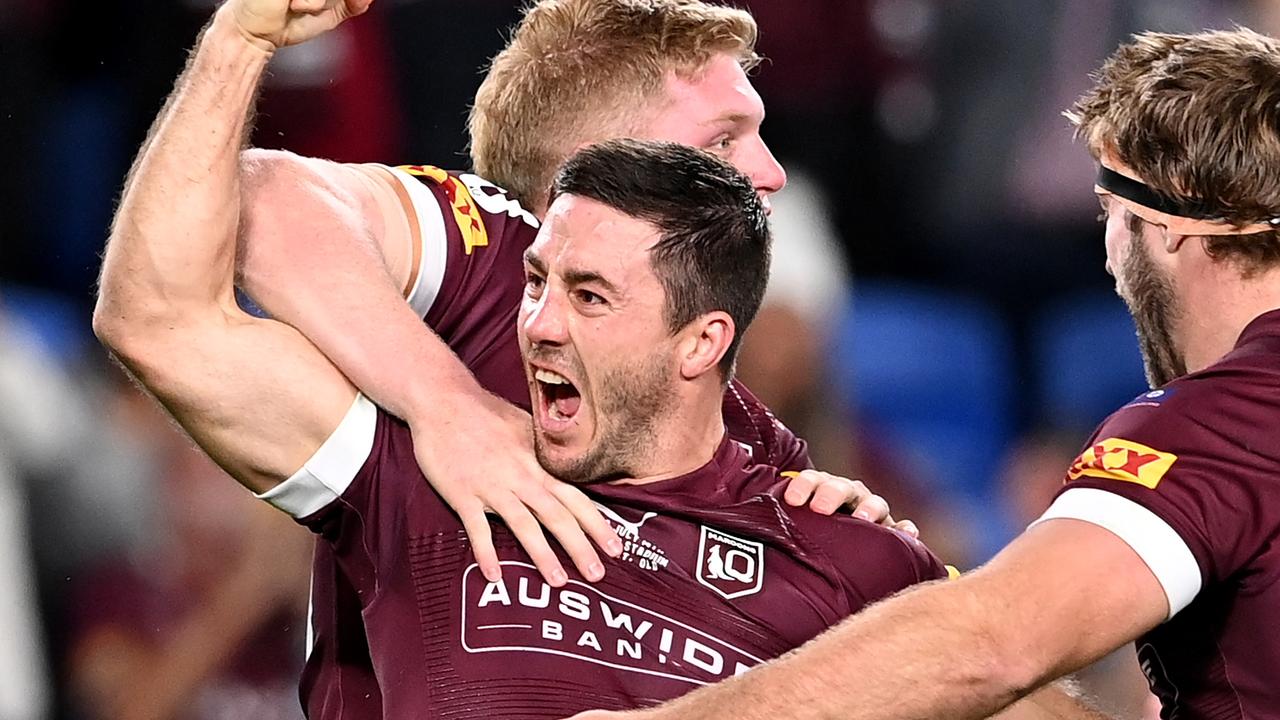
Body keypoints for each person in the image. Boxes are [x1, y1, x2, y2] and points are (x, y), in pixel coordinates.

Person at [91, 4, 957, 714]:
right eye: (726, 138)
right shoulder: (493, 252)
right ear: (600, 160)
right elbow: (266, 203)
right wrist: (448, 408)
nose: (769, 174)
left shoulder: (747, 437)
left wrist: (857, 550)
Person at [569, 27, 1280, 720]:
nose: (1108, 258)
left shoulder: (1223, 422)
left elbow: (991, 644)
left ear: (1173, 222)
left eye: (1111, 214)